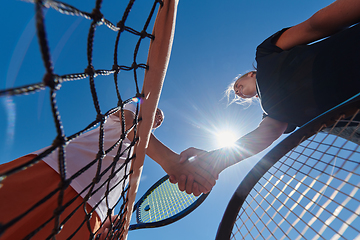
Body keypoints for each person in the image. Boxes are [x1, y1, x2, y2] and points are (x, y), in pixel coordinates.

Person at [175, 0, 360, 194]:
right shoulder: (273, 113)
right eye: (238, 93)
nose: (238, 91)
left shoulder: (265, 55)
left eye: (237, 85)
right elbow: (266, 135)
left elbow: (314, 25)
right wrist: (215, 160)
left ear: (251, 74)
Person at [0, 103, 215, 239]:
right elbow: (131, 123)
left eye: (160, 119)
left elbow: (114, 183)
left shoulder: (139, 157)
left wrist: (108, 219)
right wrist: (171, 160)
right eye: (157, 113)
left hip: (88, 215)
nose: (158, 118)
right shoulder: (137, 107)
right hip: (56, 172)